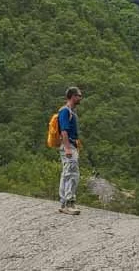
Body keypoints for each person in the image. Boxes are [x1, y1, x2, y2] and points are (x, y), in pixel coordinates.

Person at [57, 86, 83, 215]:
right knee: (72, 175)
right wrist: (67, 148)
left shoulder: (71, 111)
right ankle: (68, 203)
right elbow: (64, 131)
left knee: (67, 173)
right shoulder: (65, 111)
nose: (80, 98)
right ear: (72, 96)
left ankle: (64, 203)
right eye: (79, 96)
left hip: (71, 145)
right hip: (68, 146)